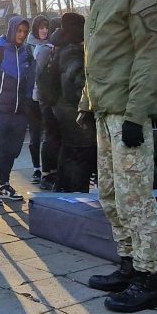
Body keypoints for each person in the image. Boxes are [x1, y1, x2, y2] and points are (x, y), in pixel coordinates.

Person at [74, 0, 157, 313]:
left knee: (135, 199)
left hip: (127, 112)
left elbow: (152, 52)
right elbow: (98, 59)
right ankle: (129, 265)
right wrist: (86, 102)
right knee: (111, 196)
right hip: (105, 111)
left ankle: (149, 279)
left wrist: (137, 113)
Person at [0, 15, 34, 205]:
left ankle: (5, 185)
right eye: (19, 31)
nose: (21, 35)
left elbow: (30, 82)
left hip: (19, 113)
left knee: (12, 151)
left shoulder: (27, 55)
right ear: (12, 30)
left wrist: (27, 104)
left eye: (24, 32)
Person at [53, 12, 97, 193]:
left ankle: (63, 194)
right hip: (75, 113)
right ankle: (78, 198)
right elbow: (78, 85)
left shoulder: (60, 49)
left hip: (63, 111)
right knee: (81, 156)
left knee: (69, 154)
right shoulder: (73, 53)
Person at [37, 18, 63, 190]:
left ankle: (53, 171)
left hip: (54, 100)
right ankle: (47, 173)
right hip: (48, 100)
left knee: (55, 137)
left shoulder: (56, 50)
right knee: (50, 137)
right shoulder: (46, 51)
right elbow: (39, 75)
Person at [26, 15, 52, 184]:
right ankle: (36, 168)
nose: (44, 30)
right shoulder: (28, 47)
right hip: (32, 98)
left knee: (49, 136)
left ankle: (48, 169)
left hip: (46, 96)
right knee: (35, 136)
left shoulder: (52, 46)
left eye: (46, 27)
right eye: (41, 27)